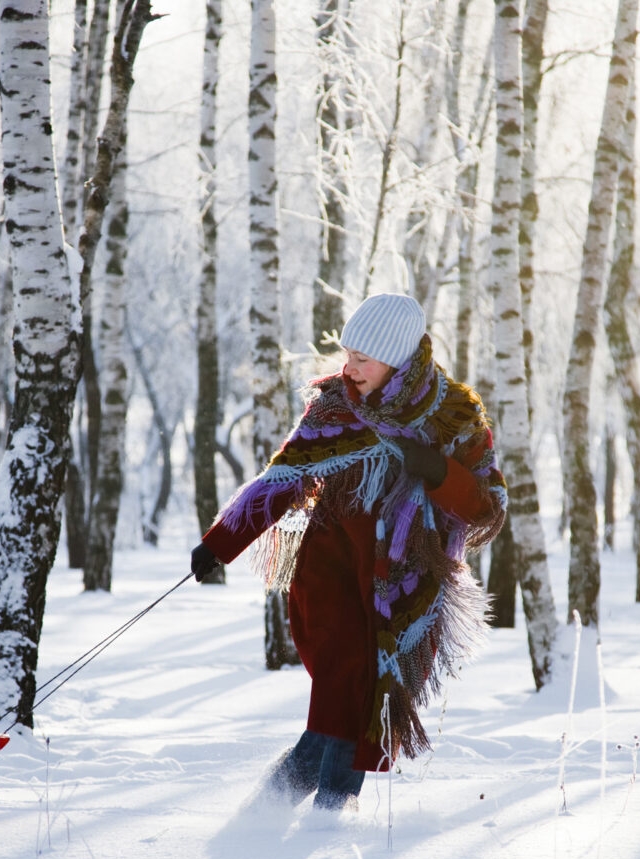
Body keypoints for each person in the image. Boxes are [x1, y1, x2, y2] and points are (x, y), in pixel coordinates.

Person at [191, 292, 507, 812]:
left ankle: (267, 816)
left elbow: (487, 506)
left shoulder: (454, 417)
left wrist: (436, 471)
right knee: (344, 700)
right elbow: (283, 478)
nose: (349, 367)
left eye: (362, 359)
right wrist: (220, 543)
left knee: (354, 712)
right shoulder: (334, 408)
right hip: (331, 582)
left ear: (399, 359)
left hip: (404, 590)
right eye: (347, 354)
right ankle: (323, 823)